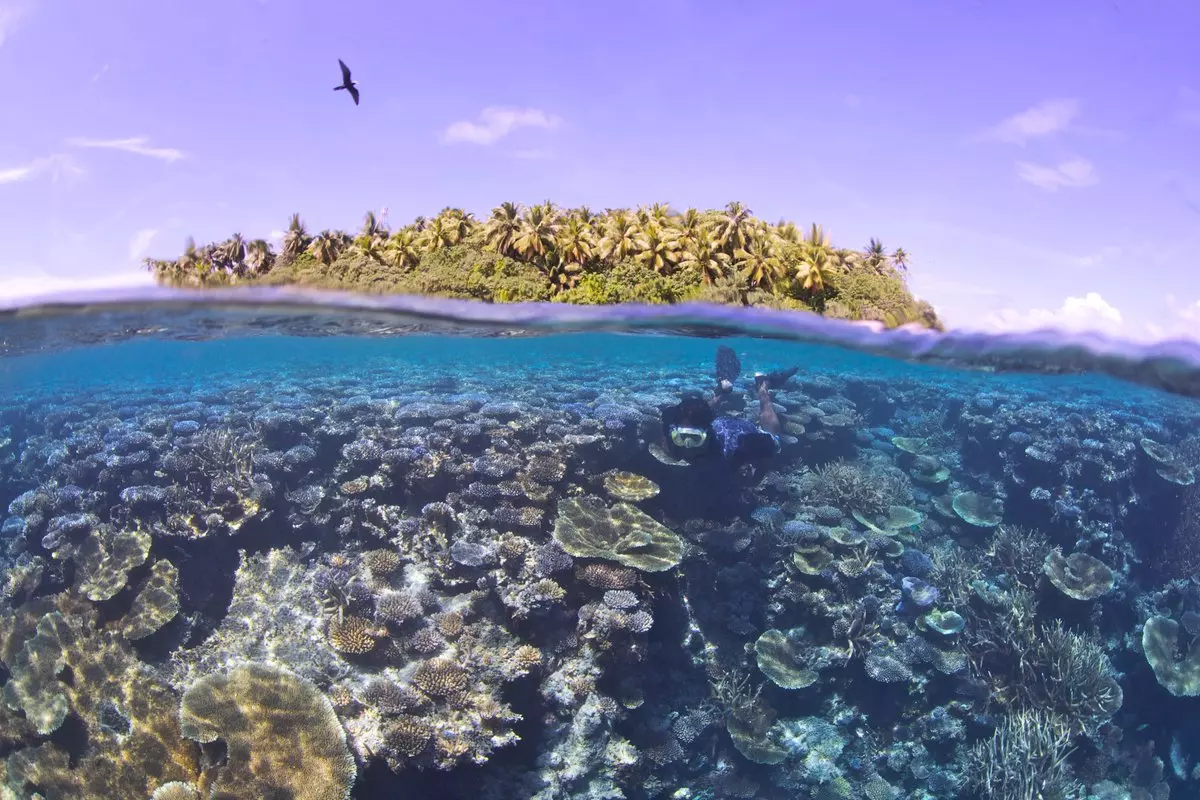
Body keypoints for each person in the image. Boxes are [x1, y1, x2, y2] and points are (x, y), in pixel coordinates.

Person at [660, 345, 798, 468]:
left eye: (695, 439)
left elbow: (768, 453)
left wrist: (755, 478)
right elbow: (670, 419)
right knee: (695, 412)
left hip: (736, 431)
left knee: (773, 437)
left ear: (707, 433)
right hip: (708, 422)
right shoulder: (672, 434)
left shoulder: (735, 447)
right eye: (681, 437)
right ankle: (723, 389)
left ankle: (763, 386)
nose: (687, 445)